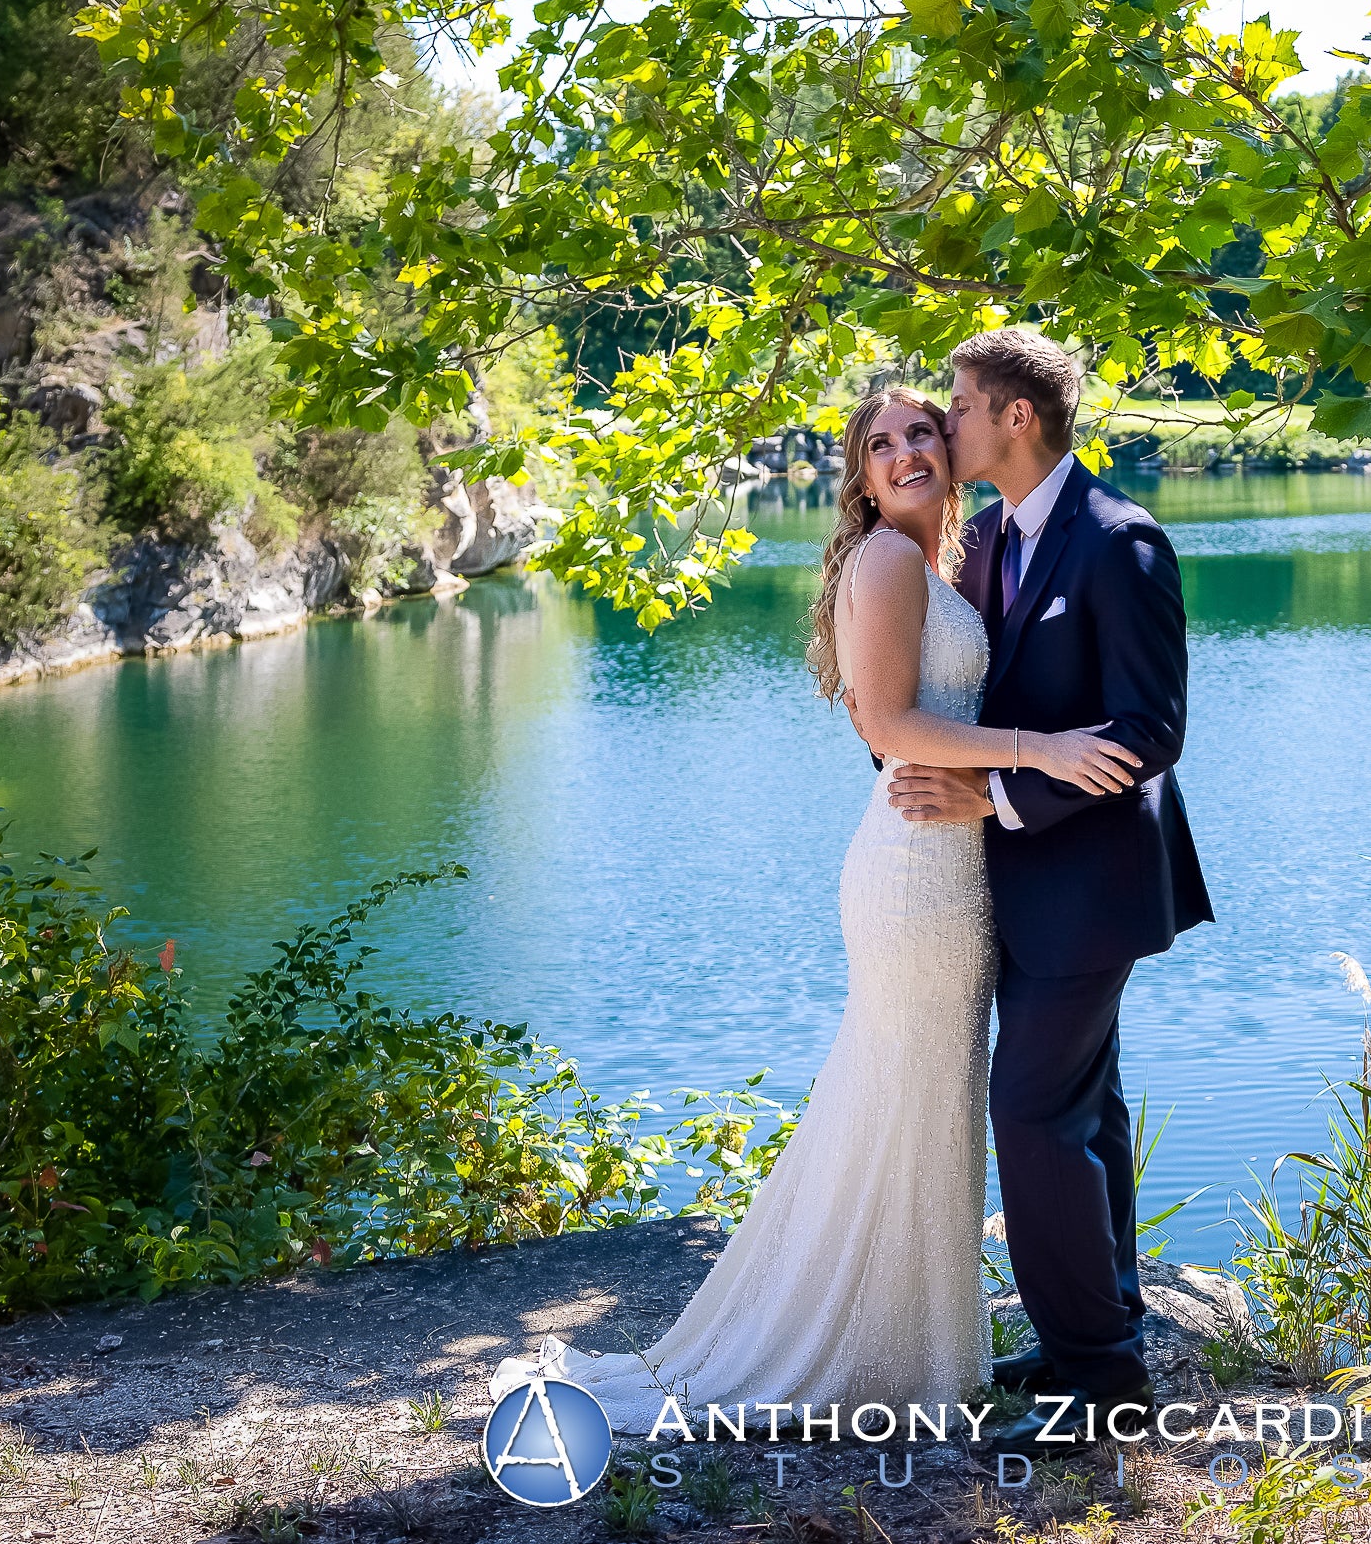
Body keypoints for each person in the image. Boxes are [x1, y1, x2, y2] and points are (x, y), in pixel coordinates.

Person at [488, 382, 1141, 1434]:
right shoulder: (887, 559)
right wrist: (1039, 751)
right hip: (916, 877)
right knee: (906, 1090)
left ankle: (921, 1339)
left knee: (921, 1097)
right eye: (877, 444)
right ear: (859, 473)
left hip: (952, 859)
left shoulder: (943, 562)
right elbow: (886, 720)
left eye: (919, 432)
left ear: (951, 445)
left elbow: (903, 718)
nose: (901, 454)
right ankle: (864, 1345)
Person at [863, 327, 1212, 1450]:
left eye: (955, 408)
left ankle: (1102, 1393)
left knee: (1032, 1111)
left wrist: (1001, 802)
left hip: (1092, 883)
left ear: (1014, 417)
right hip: (1004, 883)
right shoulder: (988, 543)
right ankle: (1093, 1329)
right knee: (1086, 1103)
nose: (943, 427)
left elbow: (1145, 730)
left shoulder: (1118, 541)